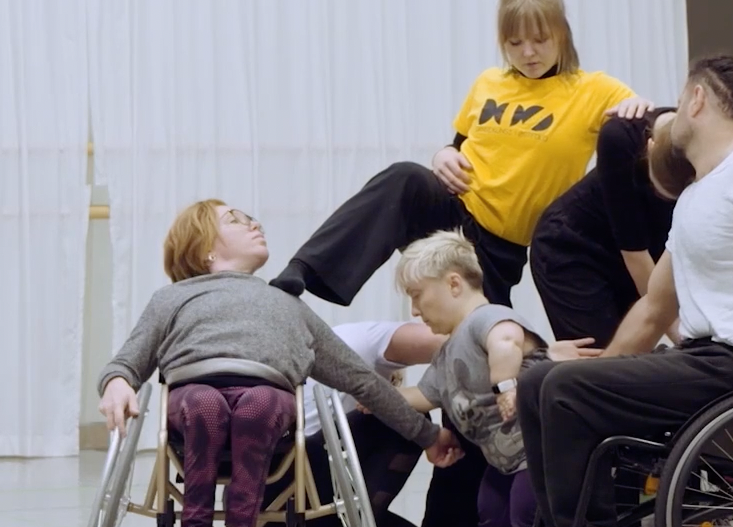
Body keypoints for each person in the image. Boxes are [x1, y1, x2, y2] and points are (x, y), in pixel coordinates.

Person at [514, 55, 733, 527]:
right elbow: (655, 308)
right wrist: (606, 367)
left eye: (679, 102)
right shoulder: (698, 195)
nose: (671, 116)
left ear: (698, 99)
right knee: (539, 381)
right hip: (704, 360)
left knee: (562, 389)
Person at [269, 0, 653, 310]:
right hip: (451, 212)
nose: (528, 52)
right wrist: (443, 154)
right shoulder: (489, 82)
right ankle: (303, 271)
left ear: (562, 34)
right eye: (515, 43)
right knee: (404, 177)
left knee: (487, 338)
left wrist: (640, 108)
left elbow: (647, 124)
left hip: (497, 249)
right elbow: (459, 143)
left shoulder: (595, 89)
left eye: (540, 39)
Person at [96, 200, 459, 527]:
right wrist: (116, 382)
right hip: (193, 396)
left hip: (266, 401)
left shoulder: (288, 304)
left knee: (260, 404)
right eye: (236, 220)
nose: (255, 224)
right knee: (204, 403)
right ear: (204, 247)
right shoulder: (171, 298)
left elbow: (361, 380)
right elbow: (128, 360)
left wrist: (428, 435)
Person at [390, 230, 598, 527]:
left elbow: (507, 340)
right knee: (489, 511)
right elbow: (423, 396)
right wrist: (374, 395)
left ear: (453, 284)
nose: (414, 310)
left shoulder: (485, 318)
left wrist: (505, 386)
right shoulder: (446, 354)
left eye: (417, 295)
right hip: (503, 464)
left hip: (539, 454)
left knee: (524, 515)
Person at [527, 107, 696, 345]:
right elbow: (636, 259)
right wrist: (683, 339)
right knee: (602, 358)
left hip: (641, 250)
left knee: (633, 356)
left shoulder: (709, 151)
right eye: (657, 191)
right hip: (571, 247)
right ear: (649, 147)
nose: (663, 201)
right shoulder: (619, 137)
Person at [287, 320, 448, 527]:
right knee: (405, 419)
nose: (416, 311)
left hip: (278, 492)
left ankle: (361, 516)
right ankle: (362, 517)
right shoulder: (366, 339)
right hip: (301, 479)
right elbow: (458, 342)